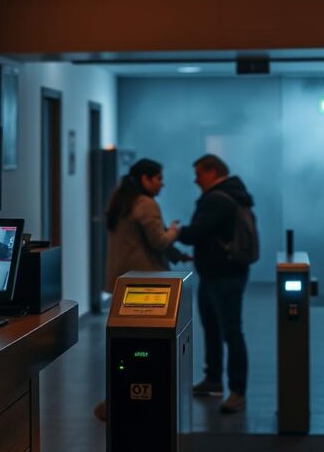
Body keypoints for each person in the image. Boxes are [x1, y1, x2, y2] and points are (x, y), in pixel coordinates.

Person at [94, 158, 182, 422]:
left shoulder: (120, 200)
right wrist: (175, 231)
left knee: (125, 345)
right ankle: (145, 396)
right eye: (158, 178)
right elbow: (159, 241)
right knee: (148, 346)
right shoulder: (146, 204)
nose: (162, 183)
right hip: (147, 284)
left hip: (122, 282)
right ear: (145, 179)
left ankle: (119, 396)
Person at [178, 154, 255, 414]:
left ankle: (236, 390)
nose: (196, 180)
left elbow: (195, 233)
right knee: (214, 329)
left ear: (212, 172)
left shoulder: (216, 199)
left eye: (199, 174)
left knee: (230, 332)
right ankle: (214, 381)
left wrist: (175, 231)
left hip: (222, 276)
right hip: (225, 272)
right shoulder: (234, 194)